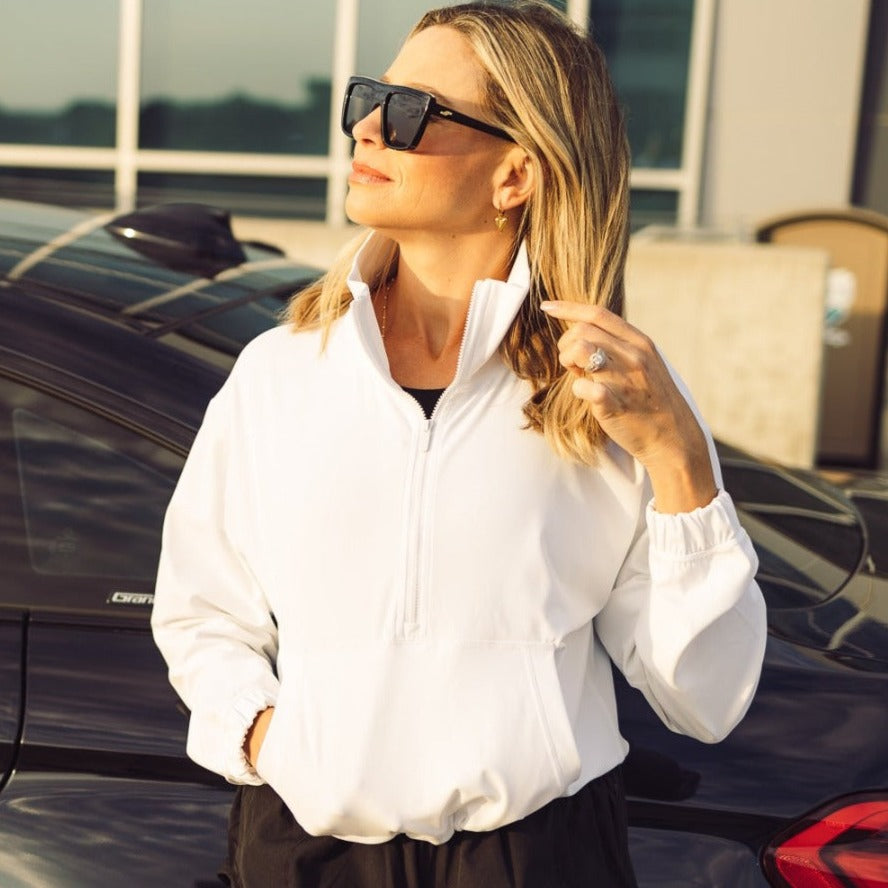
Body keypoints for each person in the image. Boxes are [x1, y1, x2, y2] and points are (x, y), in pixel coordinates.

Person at [151, 2, 767, 886]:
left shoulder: (608, 394)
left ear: (516, 174)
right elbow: (200, 610)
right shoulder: (280, 373)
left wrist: (679, 463)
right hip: (304, 853)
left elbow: (703, 697)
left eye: (410, 112)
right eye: (370, 96)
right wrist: (265, 734)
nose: (367, 125)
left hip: (535, 859)